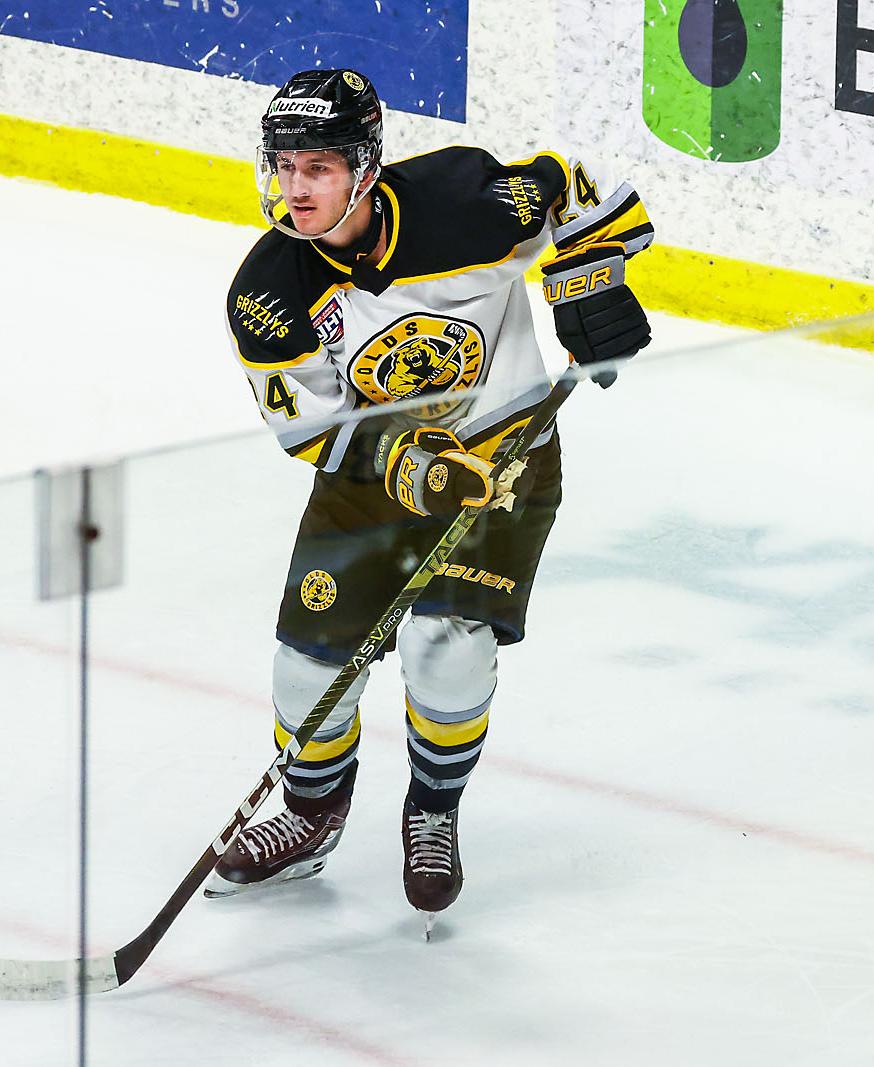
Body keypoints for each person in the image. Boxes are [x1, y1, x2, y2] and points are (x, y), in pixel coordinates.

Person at [208, 69, 653, 926]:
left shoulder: (466, 203)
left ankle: (433, 810)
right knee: (306, 666)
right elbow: (310, 430)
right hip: (372, 482)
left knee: (448, 648)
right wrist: (410, 466)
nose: (294, 189)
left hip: (506, 465)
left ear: (366, 168)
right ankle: (310, 811)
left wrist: (590, 281)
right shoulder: (267, 292)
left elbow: (571, 186)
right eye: (284, 167)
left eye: (318, 169)